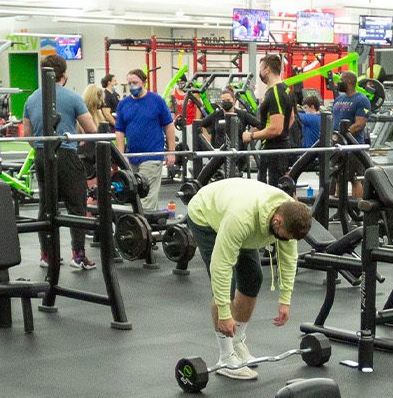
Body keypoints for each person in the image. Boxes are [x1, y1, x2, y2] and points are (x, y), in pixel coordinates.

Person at [185, 177, 313, 380]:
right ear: (277, 220)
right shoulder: (242, 218)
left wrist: (285, 301)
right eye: (283, 236)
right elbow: (221, 266)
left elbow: (289, 259)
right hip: (206, 215)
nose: (285, 241)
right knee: (226, 286)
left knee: (253, 277)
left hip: (238, 212)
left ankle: (237, 343)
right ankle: (226, 358)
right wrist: (226, 315)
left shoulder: (289, 215)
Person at [20, 55, 100, 270]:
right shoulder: (73, 98)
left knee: (47, 206)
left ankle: (47, 255)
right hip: (65, 155)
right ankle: (78, 255)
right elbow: (92, 129)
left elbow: (28, 135)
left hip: (41, 155)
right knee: (77, 206)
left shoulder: (31, 99)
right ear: (64, 75)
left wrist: (41, 148)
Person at [112, 69, 175, 212]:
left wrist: (171, 152)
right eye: (129, 83)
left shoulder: (156, 100)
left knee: (145, 197)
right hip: (132, 156)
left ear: (144, 82)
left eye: (135, 82)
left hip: (152, 156)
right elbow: (119, 131)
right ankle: (152, 227)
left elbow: (169, 126)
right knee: (134, 195)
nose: (132, 86)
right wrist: (121, 156)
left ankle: (142, 230)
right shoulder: (123, 104)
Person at [242, 55, 298, 183]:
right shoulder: (285, 89)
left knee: (276, 192)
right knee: (283, 188)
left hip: (275, 150)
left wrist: (251, 136)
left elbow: (276, 128)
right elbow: (290, 119)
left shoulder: (275, 93)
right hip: (276, 147)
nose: (260, 72)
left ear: (267, 69)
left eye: (261, 69)